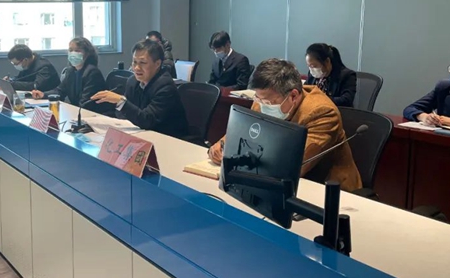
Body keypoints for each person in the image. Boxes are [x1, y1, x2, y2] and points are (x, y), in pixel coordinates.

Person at [208, 59, 361, 192]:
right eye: (258, 99)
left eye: (269, 102)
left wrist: (238, 160)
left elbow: (292, 167)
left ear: (293, 96)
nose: (262, 105)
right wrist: (222, 145)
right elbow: (245, 129)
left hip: (328, 191)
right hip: (277, 183)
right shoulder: (262, 100)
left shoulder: (322, 113)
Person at [92, 39, 188, 137]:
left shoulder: (165, 86)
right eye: (134, 62)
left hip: (169, 138)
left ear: (157, 64)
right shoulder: (133, 81)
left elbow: (147, 120)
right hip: (141, 133)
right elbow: (123, 113)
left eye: (143, 62)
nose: (137, 68)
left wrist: (120, 102)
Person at [31, 37, 111, 114]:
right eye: (70, 50)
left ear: (87, 54)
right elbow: (60, 91)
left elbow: (86, 103)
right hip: (78, 112)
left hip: (94, 114)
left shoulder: (92, 72)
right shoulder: (70, 71)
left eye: (77, 50)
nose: (73, 53)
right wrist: (43, 94)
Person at [305, 43, 357, 107]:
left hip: (337, 111)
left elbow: (346, 100)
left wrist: (319, 99)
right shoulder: (312, 75)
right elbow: (304, 91)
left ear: (327, 61)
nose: (311, 69)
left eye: (313, 66)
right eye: (309, 66)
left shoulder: (347, 75)